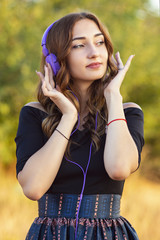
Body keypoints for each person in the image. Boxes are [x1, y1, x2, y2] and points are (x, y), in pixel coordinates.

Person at [15, 11, 144, 240]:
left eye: (99, 42)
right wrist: (68, 117)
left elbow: (119, 169)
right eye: (79, 45)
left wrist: (113, 96)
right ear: (55, 60)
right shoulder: (34, 113)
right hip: (51, 235)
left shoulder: (127, 113)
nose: (94, 53)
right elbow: (33, 188)